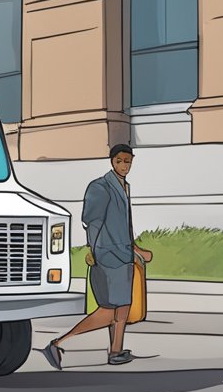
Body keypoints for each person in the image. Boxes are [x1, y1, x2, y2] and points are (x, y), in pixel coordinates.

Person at [42, 144, 153, 369]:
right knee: (108, 310)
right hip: (107, 255)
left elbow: (124, 226)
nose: (124, 165)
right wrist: (93, 250)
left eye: (128, 161)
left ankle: (116, 351)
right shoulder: (100, 187)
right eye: (120, 161)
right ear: (112, 161)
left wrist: (136, 250)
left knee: (123, 308)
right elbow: (92, 222)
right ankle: (57, 343)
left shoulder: (124, 187)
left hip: (123, 255)